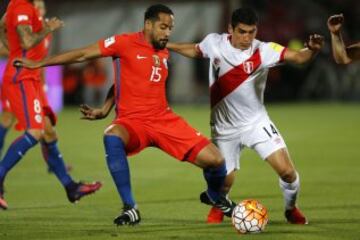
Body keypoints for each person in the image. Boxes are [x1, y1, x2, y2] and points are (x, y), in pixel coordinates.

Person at [15, 4, 237, 226]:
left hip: (163, 119)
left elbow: (126, 81)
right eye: (163, 27)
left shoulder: (164, 50)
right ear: (148, 24)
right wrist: (39, 63)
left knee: (217, 161)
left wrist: (104, 107)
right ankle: (130, 208)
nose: (167, 32)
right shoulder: (123, 42)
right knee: (112, 136)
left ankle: (213, 195)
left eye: (170, 28)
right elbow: (83, 54)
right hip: (132, 123)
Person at [165, 7, 324, 225]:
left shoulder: (264, 50)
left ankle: (291, 208)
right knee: (224, 183)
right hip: (224, 129)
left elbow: (298, 57)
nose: (247, 37)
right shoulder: (215, 43)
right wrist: (165, 45)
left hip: (256, 123)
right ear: (230, 29)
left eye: (251, 32)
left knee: (287, 172)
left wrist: (312, 50)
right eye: (242, 31)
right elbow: (194, 49)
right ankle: (220, 202)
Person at [0, 0, 102, 210]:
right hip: (21, 78)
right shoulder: (21, 8)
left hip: (34, 81)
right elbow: (23, 40)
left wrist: (43, 86)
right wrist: (45, 30)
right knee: (32, 130)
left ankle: (70, 186)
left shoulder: (34, 19)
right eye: (37, 7)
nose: (40, 10)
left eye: (42, 7)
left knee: (48, 132)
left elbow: (38, 57)